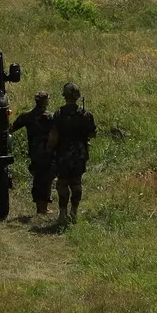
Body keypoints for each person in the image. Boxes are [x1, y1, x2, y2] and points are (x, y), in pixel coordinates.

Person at [48, 82, 96, 226]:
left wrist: (49, 149)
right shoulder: (86, 115)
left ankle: (62, 214)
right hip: (80, 153)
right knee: (76, 183)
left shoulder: (58, 114)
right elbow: (93, 134)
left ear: (64, 96)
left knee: (62, 184)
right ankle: (74, 213)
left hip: (62, 154)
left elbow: (54, 136)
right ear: (78, 96)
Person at [10, 91, 54, 215]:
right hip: (48, 152)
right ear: (46, 101)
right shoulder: (50, 116)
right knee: (46, 180)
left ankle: (40, 206)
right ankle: (43, 208)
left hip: (34, 152)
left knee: (38, 179)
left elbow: (12, 128)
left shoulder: (27, 116)